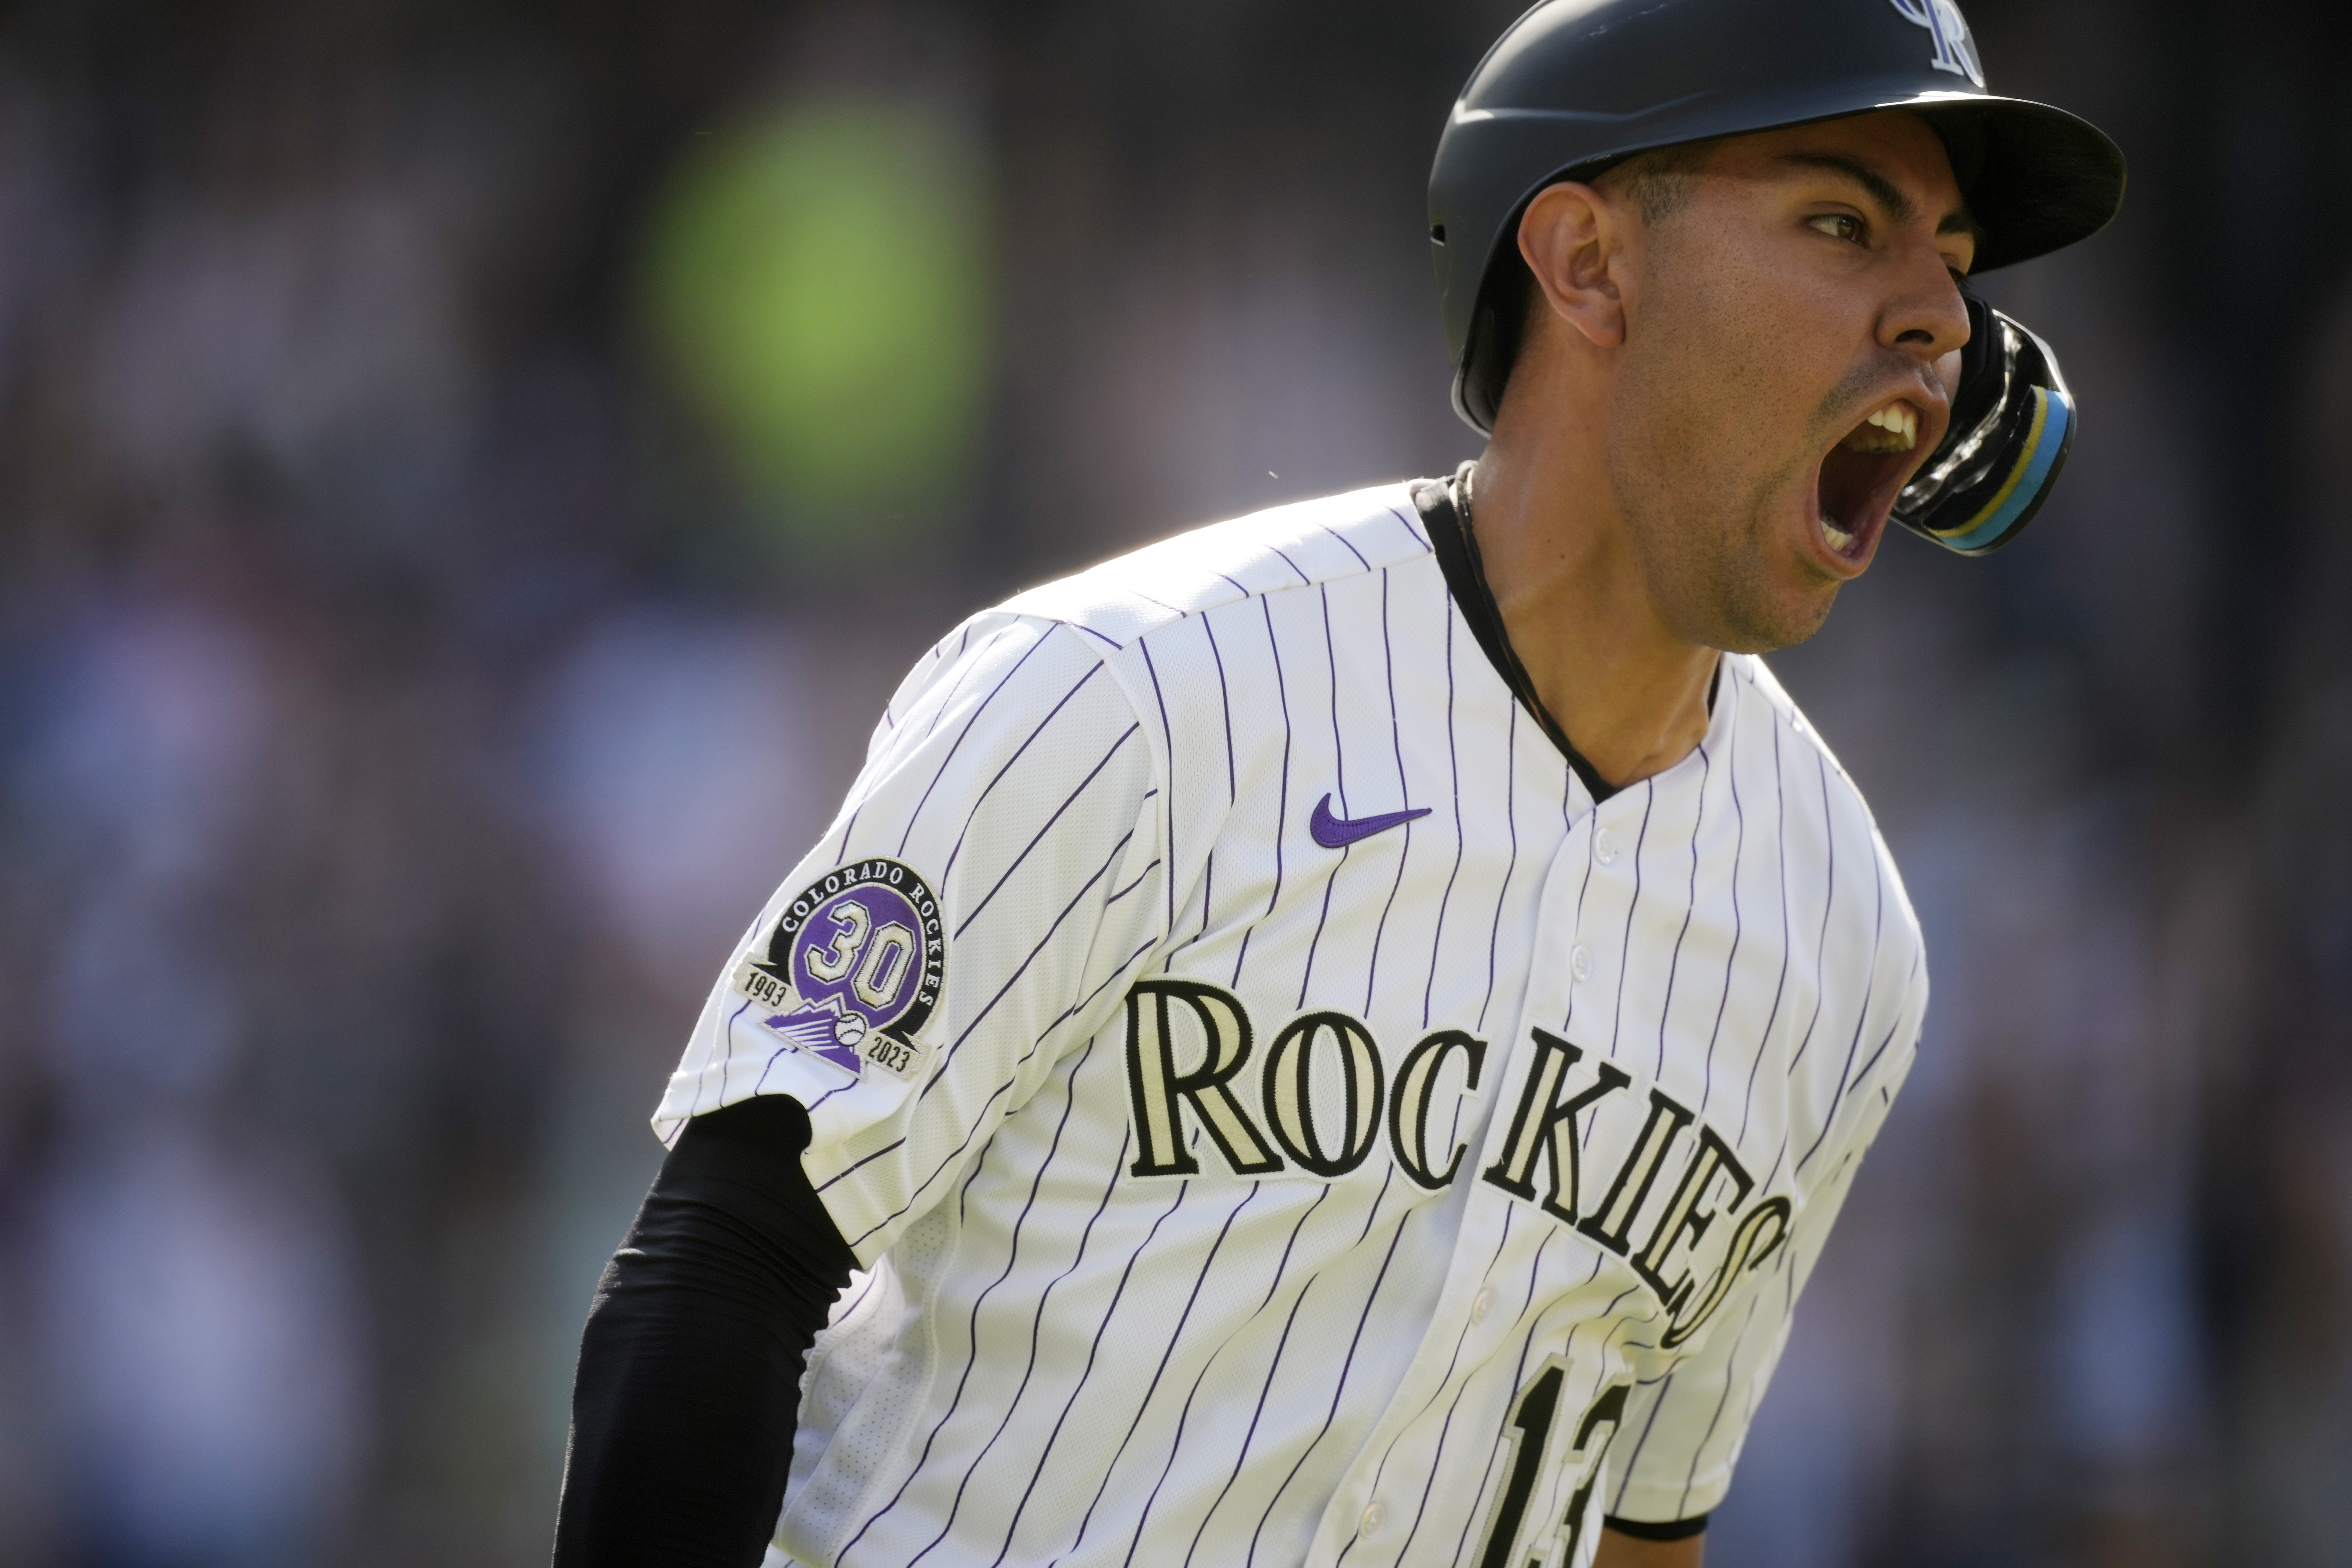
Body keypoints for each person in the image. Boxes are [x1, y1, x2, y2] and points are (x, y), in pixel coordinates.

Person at [551, 2, 2125, 1564]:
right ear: (1587, 266)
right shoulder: (1129, 693)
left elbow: (1646, 1528)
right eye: (1843, 219)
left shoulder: (1845, 943)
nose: (1941, 318)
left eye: (1958, 264)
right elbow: (724, 1259)